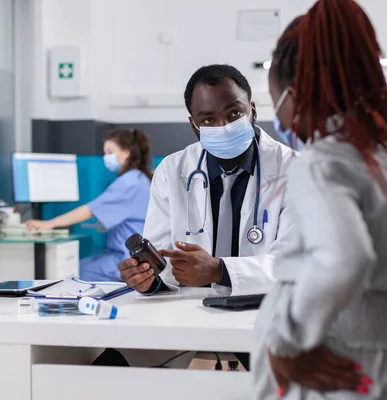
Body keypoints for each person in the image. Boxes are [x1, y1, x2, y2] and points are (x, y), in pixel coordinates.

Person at [253, 1, 387, 399]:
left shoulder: (323, 163)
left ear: (294, 95)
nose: (282, 119)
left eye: (276, 101)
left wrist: (286, 342)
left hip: (337, 381)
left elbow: (345, 260)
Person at [93, 64, 296, 369]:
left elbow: (295, 264)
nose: (224, 125)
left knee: (276, 376)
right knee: (107, 371)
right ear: (194, 125)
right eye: (208, 119)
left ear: (252, 110)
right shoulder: (172, 172)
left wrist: (220, 271)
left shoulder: (294, 171)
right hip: (187, 314)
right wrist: (148, 280)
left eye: (234, 114)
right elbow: (162, 262)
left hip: (264, 313)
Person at [25, 128, 152, 282]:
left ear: (126, 152)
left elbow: (90, 210)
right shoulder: (139, 178)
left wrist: (48, 224)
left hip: (126, 257)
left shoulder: (130, 182)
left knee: (75, 272)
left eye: (110, 152)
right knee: (80, 266)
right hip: (124, 253)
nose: (106, 158)